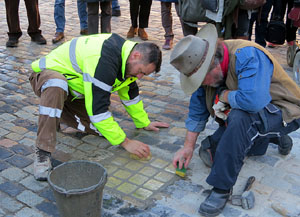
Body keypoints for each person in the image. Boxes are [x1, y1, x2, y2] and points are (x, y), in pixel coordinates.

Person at [170, 24, 299, 217]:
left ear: (212, 64)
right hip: (256, 114)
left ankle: (221, 189)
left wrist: (225, 96)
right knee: (209, 152)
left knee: (240, 116)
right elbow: (197, 110)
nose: (201, 84)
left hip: (284, 110)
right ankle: (270, 137)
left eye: (201, 79)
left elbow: (253, 102)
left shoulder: (247, 55)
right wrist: (188, 146)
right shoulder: (204, 68)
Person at [29, 33, 169, 181]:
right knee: (57, 85)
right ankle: (42, 152)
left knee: (103, 130)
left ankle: (60, 116)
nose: (139, 77)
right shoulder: (104, 58)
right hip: (45, 76)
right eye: (141, 71)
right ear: (135, 55)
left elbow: (130, 97)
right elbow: (98, 111)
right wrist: (126, 143)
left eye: (144, 74)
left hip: (74, 93)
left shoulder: (126, 62)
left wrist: (144, 123)